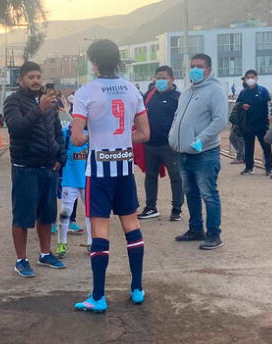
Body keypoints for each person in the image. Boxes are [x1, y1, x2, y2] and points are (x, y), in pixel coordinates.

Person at [70, 39, 150, 313]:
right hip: (124, 168)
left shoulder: (85, 92)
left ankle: (98, 296)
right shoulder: (132, 90)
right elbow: (145, 134)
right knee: (131, 225)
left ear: (93, 62)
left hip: (99, 171)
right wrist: (121, 139)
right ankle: (137, 288)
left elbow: (77, 137)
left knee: (100, 230)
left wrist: (96, 136)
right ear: (117, 60)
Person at [4, 61, 67, 278]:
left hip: (48, 168)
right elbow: (16, 128)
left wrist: (61, 156)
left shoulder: (49, 102)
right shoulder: (13, 102)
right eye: (31, 77)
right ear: (21, 80)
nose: (36, 81)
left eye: (38, 76)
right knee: (22, 217)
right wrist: (38, 109)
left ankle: (45, 253)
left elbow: (57, 131)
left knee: (47, 215)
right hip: (25, 168)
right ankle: (21, 260)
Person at [169, 53, 228, 250]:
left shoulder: (215, 91)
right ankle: (195, 229)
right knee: (191, 192)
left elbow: (220, 120)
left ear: (209, 70)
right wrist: (174, 138)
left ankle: (214, 234)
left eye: (200, 66)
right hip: (183, 152)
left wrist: (200, 140)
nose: (195, 69)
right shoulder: (187, 91)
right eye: (192, 66)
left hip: (204, 153)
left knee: (209, 194)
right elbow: (178, 117)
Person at [137, 65, 184, 221]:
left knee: (176, 177)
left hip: (170, 146)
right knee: (150, 176)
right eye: (158, 78)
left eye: (164, 78)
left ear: (172, 79)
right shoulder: (149, 95)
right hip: (150, 145)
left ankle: (177, 209)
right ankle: (151, 207)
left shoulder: (178, 98)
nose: (161, 81)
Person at [55, 123, 92, 259]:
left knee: (90, 212)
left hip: (88, 178)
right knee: (65, 212)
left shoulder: (91, 130)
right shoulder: (67, 131)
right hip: (69, 179)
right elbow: (59, 149)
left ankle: (91, 242)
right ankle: (61, 243)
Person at [237, 69, 272, 176]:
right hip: (248, 124)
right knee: (248, 147)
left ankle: (269, 168)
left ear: (256, 78)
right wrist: (242, 106)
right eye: (248, 77)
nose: (250, 79)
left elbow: (269, 106)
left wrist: (268, 120)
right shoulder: (243, 93)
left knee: (266, 146)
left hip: (261, 124)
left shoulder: (263, 91)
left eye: (252, 77)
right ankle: (249, 167)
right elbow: (237, 105)